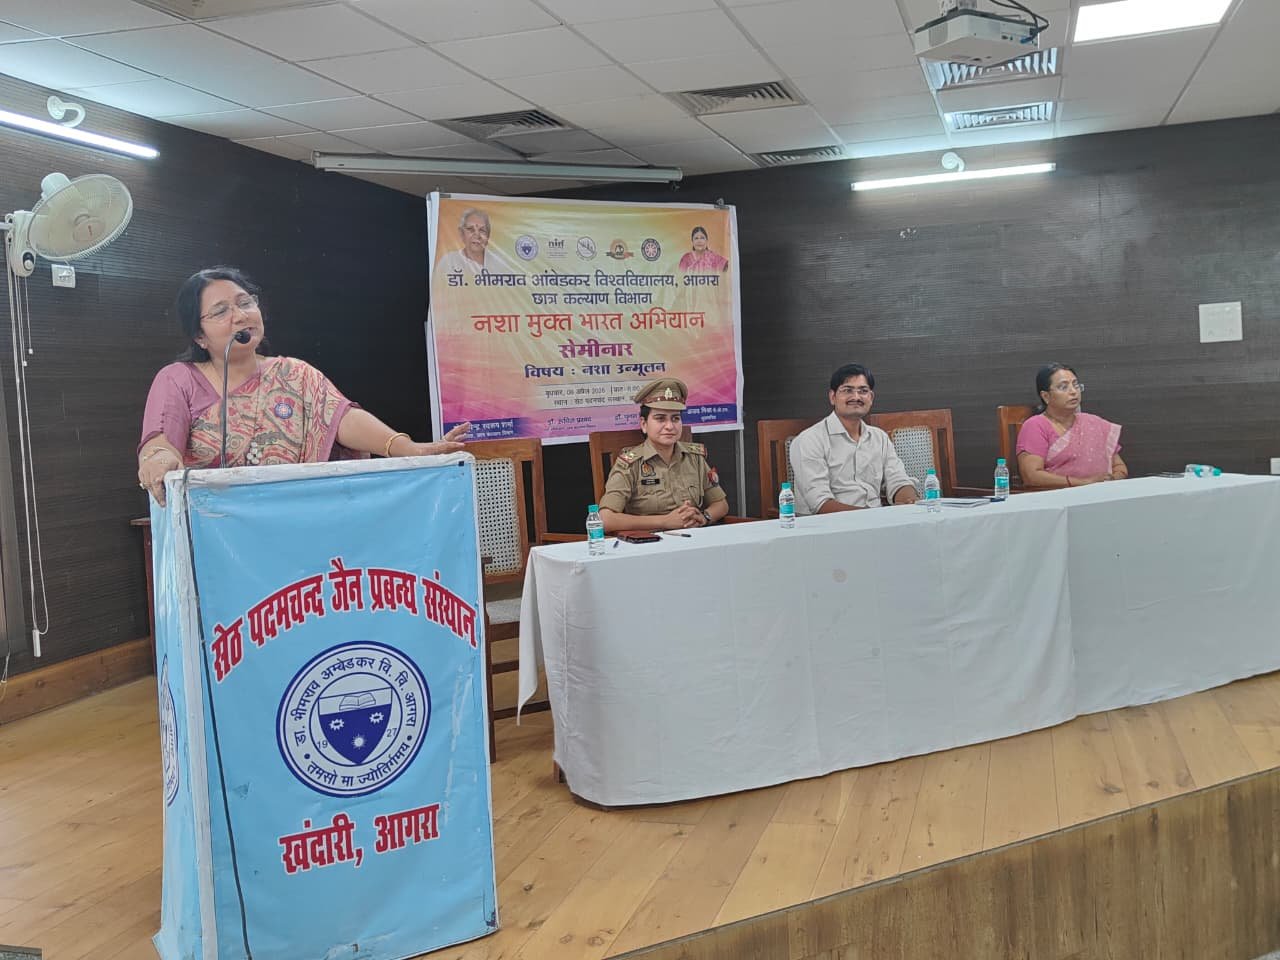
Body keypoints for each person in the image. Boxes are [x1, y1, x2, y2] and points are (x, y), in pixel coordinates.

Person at [137, 266, 469, 505]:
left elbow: (340, 419)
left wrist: (407, 448)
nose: (240, 315)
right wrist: (157, 460)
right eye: (221, 311)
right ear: (199, 335)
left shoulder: (295, 374)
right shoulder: (179, 379)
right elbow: (162, 440)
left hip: (297, 518)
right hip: (217, 533)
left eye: (244, 302)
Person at [598, 379, 729, 532]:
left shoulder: (694, 457)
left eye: (675, 418)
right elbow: (606, 519)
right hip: (650, 544)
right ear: (644, 424)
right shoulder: (630, 463)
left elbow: (721, 504)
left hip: (694, 539)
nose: (669, 426)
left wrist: (704, 517)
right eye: (660, 418)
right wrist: (664, 521)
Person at [788, 363, 918, 515]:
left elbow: (898, 479)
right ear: (832, 397)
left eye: (863, 391)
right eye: (847, 390)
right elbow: (820, 504)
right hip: (827, 528)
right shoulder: (809, 440)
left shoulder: (879, 437)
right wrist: (874, 517)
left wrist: (909, 501)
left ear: (871, 397)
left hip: (877, 524)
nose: (856, 397)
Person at [1016, 363, 1127, 488]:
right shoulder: (1036, 425)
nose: (1073, 391)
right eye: (1063, 387)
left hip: (1102, 495)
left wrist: (1110, 481)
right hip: (1058, 498)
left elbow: (1119, 467)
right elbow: (1032, 476)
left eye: (1076, 385)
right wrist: (1085, 484)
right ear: (1046, 396)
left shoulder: (1094, 423)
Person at [436, 208, 511, 275]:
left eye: (482, 230)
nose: (477, 235)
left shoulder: (500, 263)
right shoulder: (449, 262)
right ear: (461, 233)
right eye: (471, 229)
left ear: (488, 235)